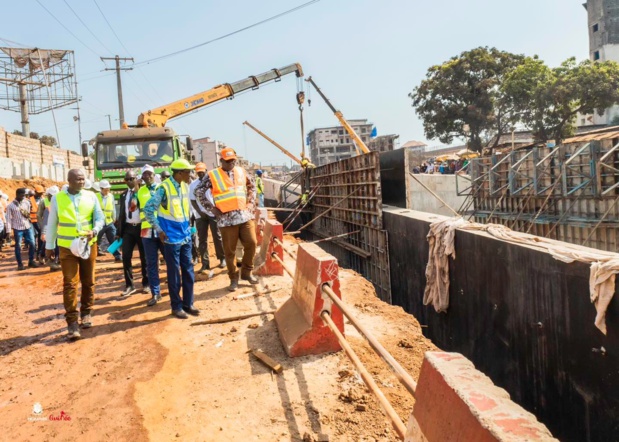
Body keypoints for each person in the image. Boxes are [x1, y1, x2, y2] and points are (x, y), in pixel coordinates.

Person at [45, 169, 104, 340]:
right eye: (78, 179)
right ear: (69, 180)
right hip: (66, 247)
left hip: (87, 245)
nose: (81, 181)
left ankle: (86, 313)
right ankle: (72, 322)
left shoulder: (91, 196)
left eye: (83, 179)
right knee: (70, 283)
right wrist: (49, 246)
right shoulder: (58, 198)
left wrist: (95, 230)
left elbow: (100, 218)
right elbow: (52, 223)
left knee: (89, 281)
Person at [195, 147, 258, 292]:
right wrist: (211, 208)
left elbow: (252, 186)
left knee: (252, 243)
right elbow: (198, 191)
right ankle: (233, 279)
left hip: (244, 215)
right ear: (221, 160)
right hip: (226, 219)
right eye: (228, 161)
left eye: (233, 161)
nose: (231, 163)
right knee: (229, 252)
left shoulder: (241, 171)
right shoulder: (212, 175)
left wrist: (250, 203)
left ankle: (247, 272)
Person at [144, 159, 199, 319]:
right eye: (188, 172)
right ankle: (176, 306)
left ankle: (188, 303)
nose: (190, 174)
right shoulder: (163, 188)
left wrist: (190, 228)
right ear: (180, 173)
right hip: (170, 238)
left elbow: (185, 210)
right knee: (174, 273)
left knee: (188, 270)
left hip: (185, 235)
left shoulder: (184, 186)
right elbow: (148, 209)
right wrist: (159, 230)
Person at [190, 162, 225, 277]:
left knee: (217, 236)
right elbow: (193, 200)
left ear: (206, 171)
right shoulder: (193, 185)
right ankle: (205, 263)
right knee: (202, 240)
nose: (200, 174)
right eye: (198, 172)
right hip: (201, 216)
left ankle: (222, 258)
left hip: (213, 213)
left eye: (202, 172)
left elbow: (217, 196)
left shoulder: (213, 182)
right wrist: (200, 212)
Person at [117, 170, 149, 297]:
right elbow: (121, 214)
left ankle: (146, 284)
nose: (130, 181)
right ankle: (129, 285)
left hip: (142, 227)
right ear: (125, 181)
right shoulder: (123, 195)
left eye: (132, 178)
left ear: (137, 179)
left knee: (144, 257)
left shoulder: (143, 193)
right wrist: (119, 232)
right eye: (128, 179)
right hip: (128, 229)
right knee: (126, 257)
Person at [137, 165, 165, 307]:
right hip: (146, 231)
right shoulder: (139, 191)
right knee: (151, 263)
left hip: (162, 230)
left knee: (170, 260)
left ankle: (174, 289)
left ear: (154, 175)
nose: (147, 176)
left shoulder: (162, 188)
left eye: (149, 174)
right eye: (144, 174)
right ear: (142, 177)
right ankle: (155, 293)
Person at [6, 188, 39, 271]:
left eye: (24, 195)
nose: (23, 197)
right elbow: (8, 219)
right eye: (22, 195)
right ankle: (20, 264)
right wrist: (8, 232)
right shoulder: (10, 206)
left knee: (32, 243)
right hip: (18, 229)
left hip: (27, 226)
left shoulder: (27, 202)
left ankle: (31, 261)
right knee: (18, 246)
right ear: (17, 194)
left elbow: (28, 214)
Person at [96, 180, 122, 262]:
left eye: (108, 188)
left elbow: (113, 207)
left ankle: (117, 256)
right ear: (101, 188)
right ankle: (91, 257)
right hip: (99, 223)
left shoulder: (111, 196)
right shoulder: (96, 196)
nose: (108, 190)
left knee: (114, 238)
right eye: (106, 189)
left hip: (109, 222)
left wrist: (114, 217)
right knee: (95, 240)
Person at [38, 185, 61, 272]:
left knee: (57, 245)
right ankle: (44, 256)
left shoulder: (60, 203)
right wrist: (43, 231)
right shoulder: (46, 204)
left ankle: (56, 261)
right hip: (49, 228)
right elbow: (42, 218)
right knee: (48, 243)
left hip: (60, 228)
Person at [30, 185, 45, 263]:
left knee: (41, 235)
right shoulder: (30, 200)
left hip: (40, 221)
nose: (40, 194)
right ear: (35, 192)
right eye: (39, 193)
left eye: (41, 193)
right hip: (32, 222)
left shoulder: (43, 199)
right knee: (37, 236)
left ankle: (40, 253)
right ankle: (38, 253)